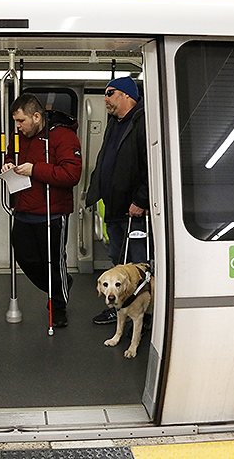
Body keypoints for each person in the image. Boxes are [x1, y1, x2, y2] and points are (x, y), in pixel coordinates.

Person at [2, 94, 82, 328]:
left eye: (21, 121)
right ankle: (61, 284)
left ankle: (58, 307)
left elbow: (71, 175)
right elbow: (11, 155)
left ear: (36, 117)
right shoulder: (20, 137)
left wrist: (35, 169)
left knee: (53, 261)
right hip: (23, 208)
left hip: (52, 212)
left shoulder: (63, 136)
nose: (18, 126)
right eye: (16, 122)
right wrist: (8, 163)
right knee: (25, 258)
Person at [86, 76, 151, 325]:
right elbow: (106, 158)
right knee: (118, 263)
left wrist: (142, 199)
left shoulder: (142, 121)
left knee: (137, 268)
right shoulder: (114, 122)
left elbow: (149, 165)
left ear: (126, 95)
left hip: (134, 209)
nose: (105, 98)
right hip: (113, 207)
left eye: (110, 93)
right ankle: (119, 309)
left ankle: (142, 317)